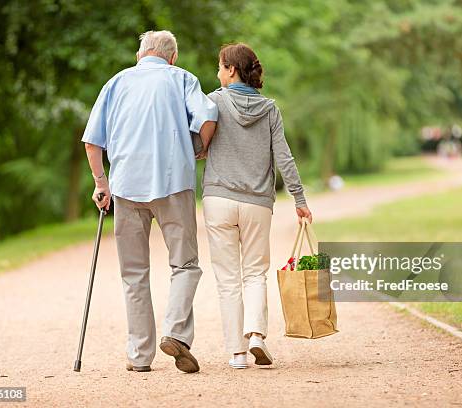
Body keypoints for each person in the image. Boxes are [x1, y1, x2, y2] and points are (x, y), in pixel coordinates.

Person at [81, 30, 217, 373]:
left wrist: (101, 183)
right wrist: (198, 149)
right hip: (173, 184)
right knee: (185, 265)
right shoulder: (182, 79)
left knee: (133, 274)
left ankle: (140, 355)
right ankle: (175, 332)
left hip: (126, 186)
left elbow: (92, 142)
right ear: (171, 57)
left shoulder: (116, 82)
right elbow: (209, 117)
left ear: (140, 54)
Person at [200, 43, 312, 369]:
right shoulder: (270, 109)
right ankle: (257, 336)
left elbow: (197, 144)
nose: (218, 73)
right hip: (257, 204)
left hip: (219, 199)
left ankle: (236, 353)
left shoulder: (213, 101)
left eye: (220, 67)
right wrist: (300, 200)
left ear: (232, 70)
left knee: (227, 279)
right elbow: (284, 159)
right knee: (254, 274)